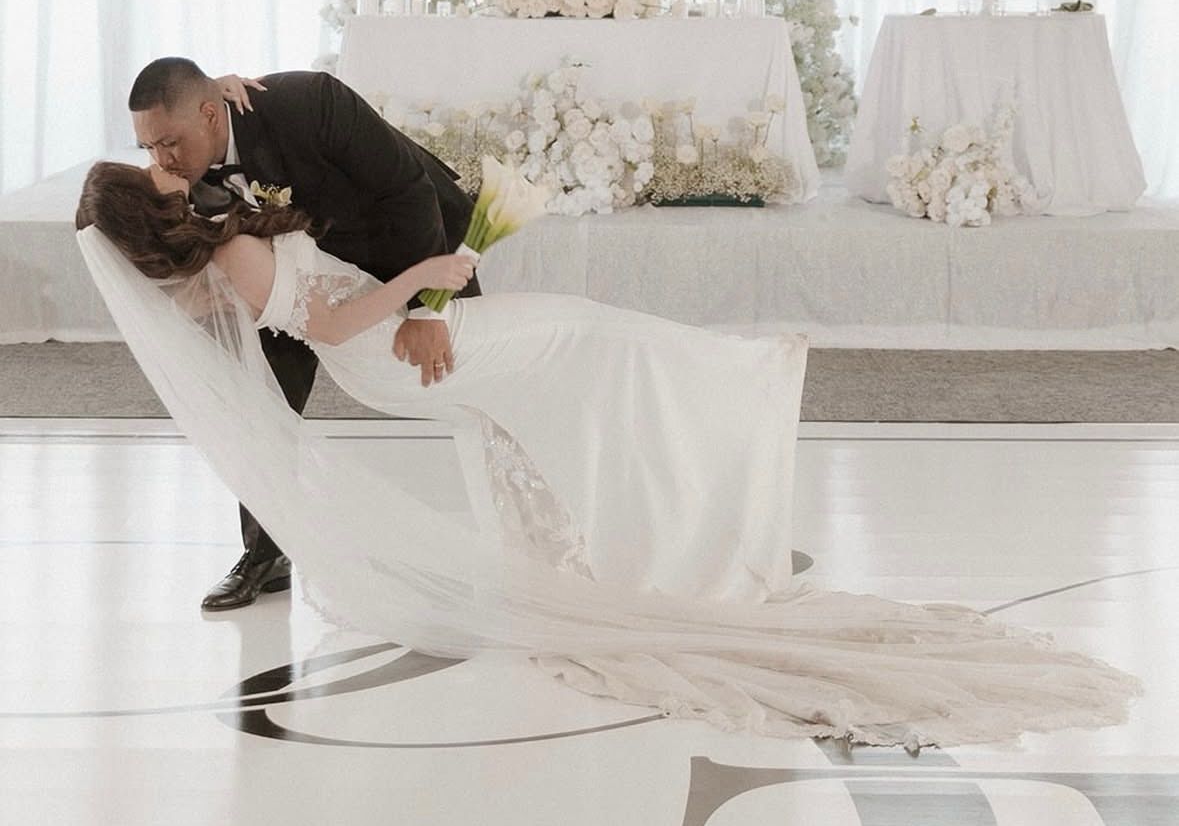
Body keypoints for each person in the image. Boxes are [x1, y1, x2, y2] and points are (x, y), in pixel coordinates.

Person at [74, 158, 1141, 751]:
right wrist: (427, 279)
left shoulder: (223, 230)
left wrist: (421, 284)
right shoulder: (241, 259)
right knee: (597, 340)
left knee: (587, 341)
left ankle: (668, 479)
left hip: (402, 343)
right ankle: (729, 398)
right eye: (145, 170)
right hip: (389, 354)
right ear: (138, 206)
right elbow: (336, 326)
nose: (159, 166)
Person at [127, 57, 480, 611]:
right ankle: (266, 555)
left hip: (414, 240)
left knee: (472, 383)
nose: (161, 159)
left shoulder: (310, 102)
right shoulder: (185, 171)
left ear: (211, 115)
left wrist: (427, 309)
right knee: (259, 397)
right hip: (307, 277)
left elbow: (409, 191)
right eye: (147, 148)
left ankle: (510, 531)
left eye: (168, 142)